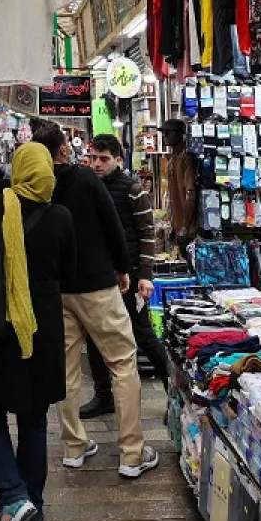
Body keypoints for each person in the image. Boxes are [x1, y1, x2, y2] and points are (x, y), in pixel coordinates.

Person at [30, 120, 158, 478]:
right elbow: (112, 226)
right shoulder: (85, 179)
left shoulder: (34, 183)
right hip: (97, 285)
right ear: (63, 150)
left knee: (67, 368)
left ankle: (74, 446)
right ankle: (131, 453)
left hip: (58, 289)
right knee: (122, 362)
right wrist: (122, 269)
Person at [0, 142, 75, 521]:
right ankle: (35, 511)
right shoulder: (61, 216)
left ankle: (13, 496)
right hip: (41, 327)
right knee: (33, 418)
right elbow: (70, 270)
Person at [80, 134, 170, 418]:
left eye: (104, 159)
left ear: (118, 160)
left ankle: (174, 393)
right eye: (93, 158)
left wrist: (145, 275)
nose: (97, 164)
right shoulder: (86, 188)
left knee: (144, 334)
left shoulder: (133, 190)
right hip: (98, 275)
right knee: (94, 336)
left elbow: (147, 234)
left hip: (129, 275)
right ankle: (103, 395)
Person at [161, 119, 200, 248]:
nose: (165, 136)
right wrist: (174, 225)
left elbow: (191, 193)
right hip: (179, 227)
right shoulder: (173, 159)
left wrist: (185, 227)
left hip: (189, 229)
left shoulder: (186, 157)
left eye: (168, 133)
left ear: (180, 134)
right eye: (164, 133)